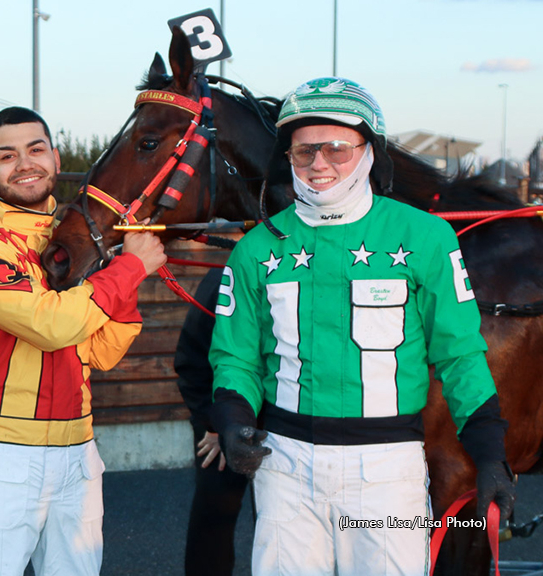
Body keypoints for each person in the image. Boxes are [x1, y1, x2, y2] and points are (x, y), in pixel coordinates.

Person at [209, 77, 516, 575]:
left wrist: (488, 454)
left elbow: (459, 353)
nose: (319, 165)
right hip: (285, 466)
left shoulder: (426, 237)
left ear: (370, 150)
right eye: (304, 152)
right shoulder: (256, 249)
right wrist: (232, 418)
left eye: (337, 149)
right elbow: (235, 356)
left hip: (388, 471)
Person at [0, 106, 167, 576]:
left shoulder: (80, 239)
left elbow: (103, 352)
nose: (25, 163)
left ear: (56, 159)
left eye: (35, 149)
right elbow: (50, 326)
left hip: (78, 451)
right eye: (7, 155)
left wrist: (119, 274)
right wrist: (129, 269)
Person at [174, 268, 250, 576]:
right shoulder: (222, 281)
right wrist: (215, 423)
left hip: (283, 424)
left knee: (286, 524)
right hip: (218, 421)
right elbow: (190, 362)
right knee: (215, 515)